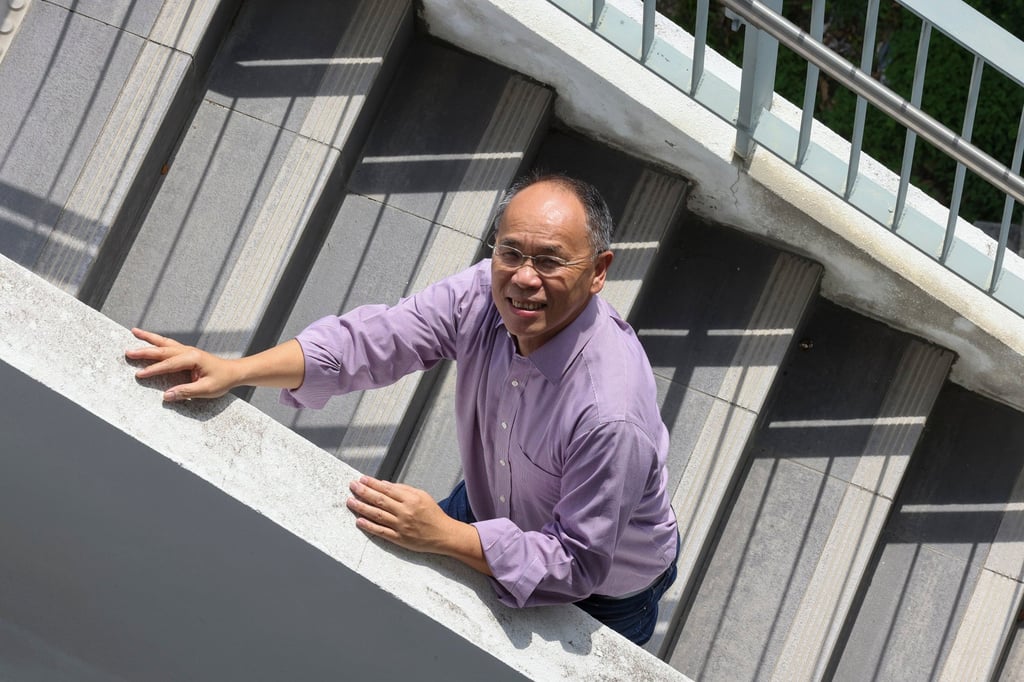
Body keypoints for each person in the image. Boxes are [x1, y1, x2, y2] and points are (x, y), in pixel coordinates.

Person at [126, 172, 679, 645]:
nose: (523, 278)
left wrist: (443, 535)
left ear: (599, 270)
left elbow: (578, 563)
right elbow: (374, 340)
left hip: (604, 589)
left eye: (550, 261)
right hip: (491, 502)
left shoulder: (610, 414)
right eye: (510, 252)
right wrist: (237, 371)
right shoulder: (482, 294)